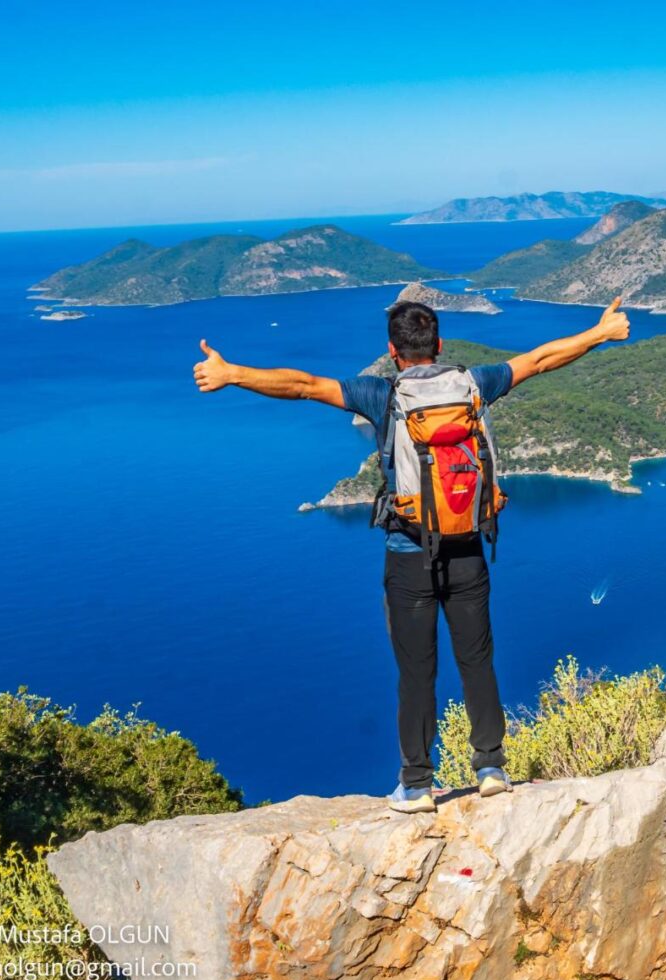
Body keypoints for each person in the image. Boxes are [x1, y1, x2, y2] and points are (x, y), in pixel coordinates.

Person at [193, 294, 630, 812]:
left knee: (416, 670)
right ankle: (490, 767)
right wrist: (598, 333)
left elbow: (303, 385)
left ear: (393, 352)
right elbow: (538, 359)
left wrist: (233, 372)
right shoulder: (474, 384)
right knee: (478, 660)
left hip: (408, 554)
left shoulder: (381, 396)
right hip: (468, 547)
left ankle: (417, 785)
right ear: (440, 345)